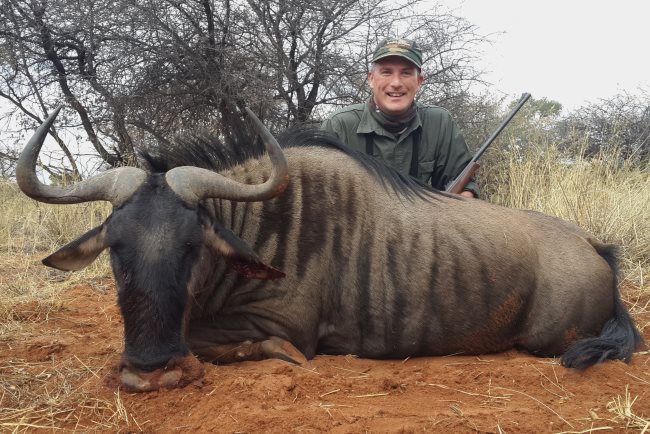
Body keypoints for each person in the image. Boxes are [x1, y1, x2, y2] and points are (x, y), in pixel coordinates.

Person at [321, 38, 478, 198]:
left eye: (406, 73)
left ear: (419, 82)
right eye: (386, 72)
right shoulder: (339, 126)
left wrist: (462, 199)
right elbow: (320, 193)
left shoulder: (439, 122)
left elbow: (464, 185)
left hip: (421, 214)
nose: (396, 83)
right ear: (371, 79)